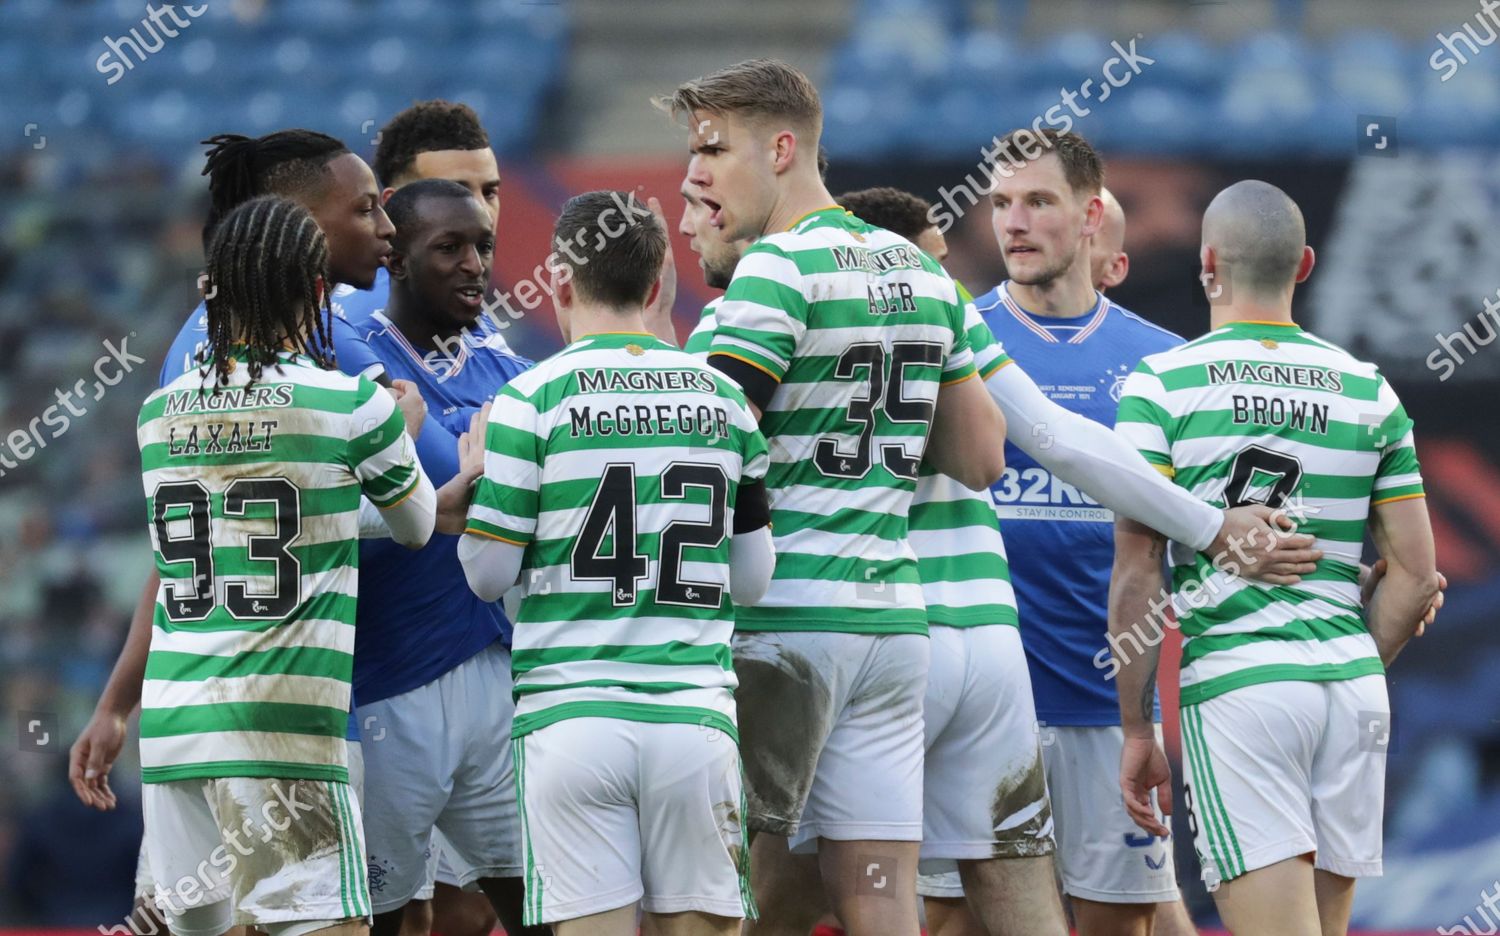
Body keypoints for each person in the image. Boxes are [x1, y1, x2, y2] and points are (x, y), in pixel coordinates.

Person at [660, 58, 1009, 936]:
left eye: (714, 148)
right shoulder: (925, 274)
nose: (695, 173)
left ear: (781, 149)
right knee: (882, 895)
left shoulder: (772, 274)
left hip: (784, 621)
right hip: (892, 623)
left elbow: (705, 448)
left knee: (724, 890)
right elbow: (977, 455)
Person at [1111, 180, 1442, 936]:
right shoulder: (1369, 391)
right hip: (1354, 697)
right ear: (1305, 265)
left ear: (1207, 264)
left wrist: (1138, 729)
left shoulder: (1162, 385)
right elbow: (1416, 576)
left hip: (1243, 690)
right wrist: (1352, 657)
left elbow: (1135, 575)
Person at [458, 190, 775, 936]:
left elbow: (486, 577)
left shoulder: (528, 400)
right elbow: (753, 580)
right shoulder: (727, 401)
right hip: (692, 716)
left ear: (560, 279)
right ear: (660, 279)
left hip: (571, 719)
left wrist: (477, 483)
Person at [135, 194, 435, 936]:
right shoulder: (349, 405)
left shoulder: (157, 414)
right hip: (282, 728)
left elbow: (250, 522)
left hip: (174, 728)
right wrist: (404, 429)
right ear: (314, 290)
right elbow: (416, 525)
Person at [970, 138, 1200, 936]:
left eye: (1036, 201)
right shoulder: (957, 343)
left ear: (1092, 214)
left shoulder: (1164, 365)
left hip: (1107, 707)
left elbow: (1207, 534)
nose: (1014, 223)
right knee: (956, 920)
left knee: (1119, 923)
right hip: (979, 701)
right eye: (1000, 204)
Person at [336, 179, 542, 936]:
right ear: (395, 258)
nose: (473, 265)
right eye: (448, 247)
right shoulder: (348, 369)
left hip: (495, 673)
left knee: (539, 908)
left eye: (483, 245)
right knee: (392, 920)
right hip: (387, 687)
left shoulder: (516, 374)